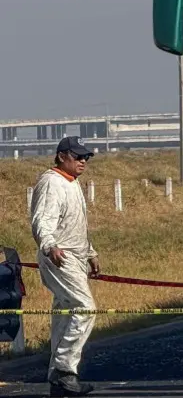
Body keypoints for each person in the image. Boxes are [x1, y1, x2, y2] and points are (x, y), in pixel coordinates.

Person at [30, 137, 99, 397]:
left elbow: (74, 224)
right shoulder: (51, 182)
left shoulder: (72, 183)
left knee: (65, 311)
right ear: (61, 156)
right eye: (78, 156)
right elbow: (42, 221)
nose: (83, 161)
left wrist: (90, 252)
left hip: (75, 255)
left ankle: (57, 380)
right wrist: (49, 246)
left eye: (86, 157)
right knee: (85, 308)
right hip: (60, 256)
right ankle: (64, 371)